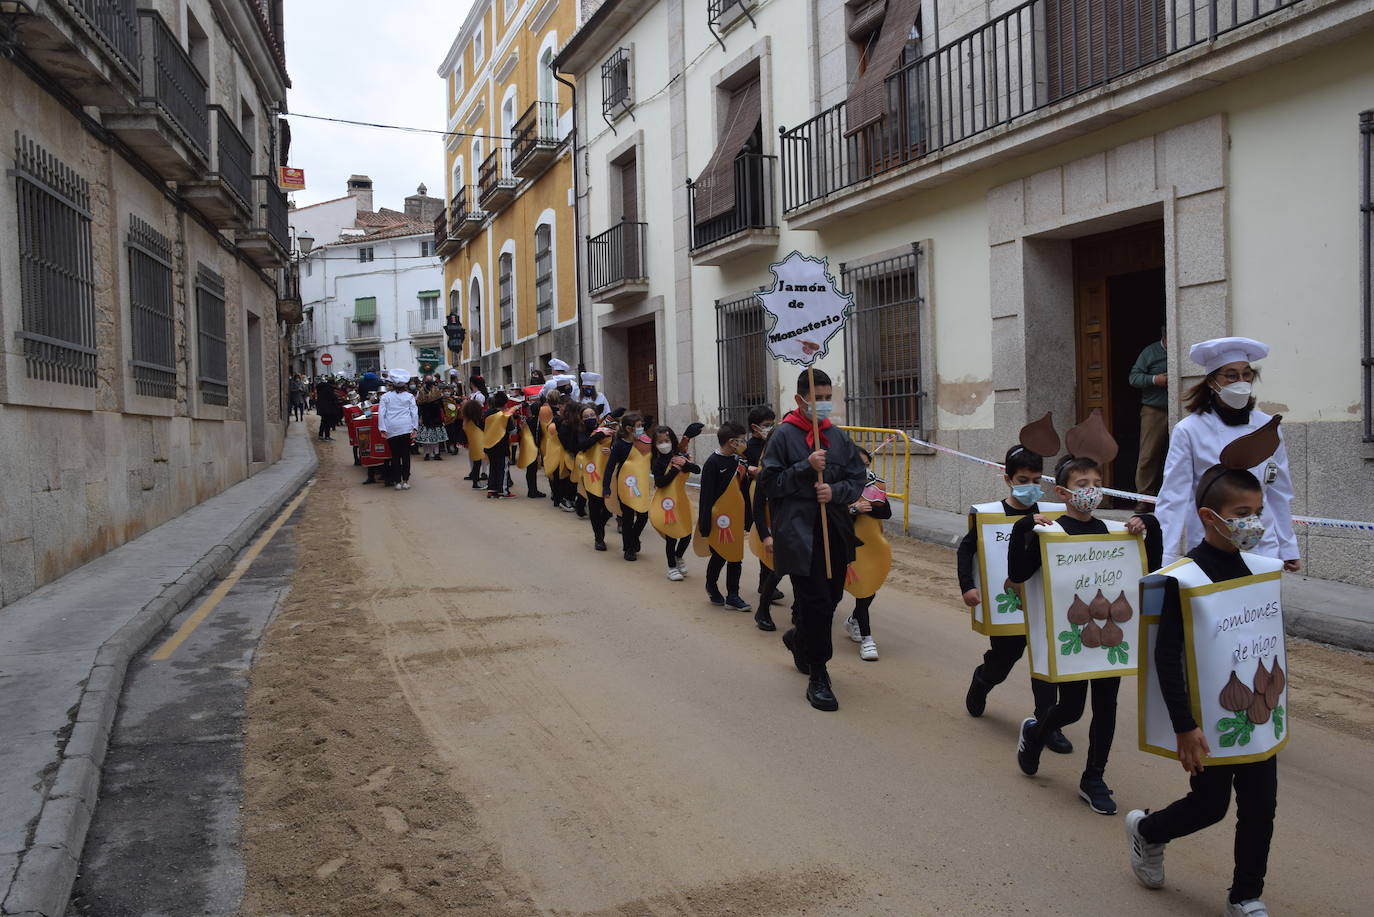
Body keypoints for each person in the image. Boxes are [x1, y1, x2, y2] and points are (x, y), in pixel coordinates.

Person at [1126, 423, 1285, 917]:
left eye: (1258, 513)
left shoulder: (1260, 570)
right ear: (1209, 517)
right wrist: (1185, 727)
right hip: (1206, 718)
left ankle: (1246, 895)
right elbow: (1165, 656)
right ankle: (1147, 832)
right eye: (1242, 515)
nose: (1252, 524)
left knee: (1260, 807)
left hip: (1256, 715)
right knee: (1210, 806)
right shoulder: (1184, 579)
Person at [1011, 452, 1161, 813]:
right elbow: (1018, 572)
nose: (1091, 491)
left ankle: (1094, 777)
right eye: (1082, 485)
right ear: (1063, 492)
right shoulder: (1051, 531)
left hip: (1110, 635)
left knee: (1106, 706)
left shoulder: (1114, 533)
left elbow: (1149, 568)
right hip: (1075, 637)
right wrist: (1024, 528)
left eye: (1096, 484)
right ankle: (1035, 732)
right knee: (1072, 709)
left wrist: (1149, 526)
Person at [759, 369, 867, 713]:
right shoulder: (783, 436)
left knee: (832, 596)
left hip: (833, 528)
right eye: (815, 399)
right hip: (799, 534)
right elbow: (769, 485)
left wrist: (834, 491)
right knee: (817, 601)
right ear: (799, 400)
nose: (822, 405)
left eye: (826, 398)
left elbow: (856, 477)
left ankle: (799, 637)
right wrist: (805, 467)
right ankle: (819, 674)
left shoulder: (838, 437)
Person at [1153, 337, 1299, 574]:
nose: (1241, 382)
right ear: (1212, 382)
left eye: (1246, 374)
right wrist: (1167, 558)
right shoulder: (1189, 430)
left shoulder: (1268, 427)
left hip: (1262, 547)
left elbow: (1278, 490)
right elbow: (1174, 496)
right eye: (1231, 375)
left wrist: (1288, 547)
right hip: (1210, 546)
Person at [959, 444, 1070, 753]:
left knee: (1046, 663)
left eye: (1036, 480)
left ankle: (1048, 724)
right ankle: (982, 680)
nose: (1030, 487)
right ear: (1007, 479)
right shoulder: (989, 515)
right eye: (1023, 480)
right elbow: (967, 549)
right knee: (1004, 660)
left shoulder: (1052, 515)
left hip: (1043, 604)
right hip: (1005, 606)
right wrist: (967, 586)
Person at [842, 447, 893, 661]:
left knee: (870, 588)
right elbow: (836, 516)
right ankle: (867, 638)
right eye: (857, 463)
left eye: (865, 463)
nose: (862, 467)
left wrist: (869, 506)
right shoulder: (840, 485)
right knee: (860, 591)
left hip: (874, 544)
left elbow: (886, 512)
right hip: (851, 544)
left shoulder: (875, 484)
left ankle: (854, 620)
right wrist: (854, 509)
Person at [697, 423, 753, 610]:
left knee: (736, 556)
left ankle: (733, 595)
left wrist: (748, 517)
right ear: (731, 442)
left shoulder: (740, 462)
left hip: (735, 517)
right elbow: (706, 495)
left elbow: (743, 491)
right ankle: (711, 585)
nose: (744, 443)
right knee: (720, 555)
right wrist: (704, 522)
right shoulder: (713, 463)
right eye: (742, 439)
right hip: (718, 519)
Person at [743, 406, 784, 608]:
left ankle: (766, 582)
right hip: (758, 494)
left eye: (772, 424)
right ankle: (766, 583)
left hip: (773, 493)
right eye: (767, 425)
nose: (771, 428)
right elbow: (740, 466)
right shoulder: (749, 447)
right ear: (755, 428)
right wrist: (749, 470)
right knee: (764, 535)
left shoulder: (775, 443)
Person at [1128, 327, 1170, 513]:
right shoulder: (1150, 352)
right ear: (1164, 336)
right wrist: (1155, 380)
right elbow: (1134, 377)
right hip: (1154, 410)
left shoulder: (1186, 349)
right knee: (1149, 454)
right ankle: (1144, 497)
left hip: (1181, 406)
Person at [651, 425, 699, 581]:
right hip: (666, 502)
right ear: (655, 445)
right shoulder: (657, 462)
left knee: (686, 534)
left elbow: (696, 470)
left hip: (681, 501)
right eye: (660, 442)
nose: (664, 444)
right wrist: (674, 469)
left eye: (667, 440)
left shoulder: (679, 455)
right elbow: (660, 482)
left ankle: (679, 557)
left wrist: (684, 464)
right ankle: (671, 567)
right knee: (671, 536)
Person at [605, 412, 648, 560]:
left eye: (641, 425)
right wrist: (606, 487)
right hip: (625, 486)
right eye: (639, 426)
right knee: (628, 518)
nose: (641, 428)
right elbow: (610, 467)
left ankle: (633, 538)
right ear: (629, 429)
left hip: (640, 485)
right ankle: (628, 549)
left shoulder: (643, 443)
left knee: (643, 515)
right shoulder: (619, 445)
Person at [574, 404, 614, 550]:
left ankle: (599, 526)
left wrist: (611, 451)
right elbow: (583, 445)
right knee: (595, 506)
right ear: (581, 420)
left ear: (597, 417)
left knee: (609, 509)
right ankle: (599, 538)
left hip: (607, 474)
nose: (590, 418)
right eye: (586, 417)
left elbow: (618, 447)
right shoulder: (582, 432)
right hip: (591, 475)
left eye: (592, 415)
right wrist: (599, 435)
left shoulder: (608, 430)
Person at [377, 369, 418, 491]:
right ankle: (405, 481)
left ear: (392, 384)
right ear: (405, 384)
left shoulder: (385, 397)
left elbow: (381, 414)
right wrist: (414, 428)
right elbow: (414, 413)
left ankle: (397, 482)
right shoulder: (410, 396)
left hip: (392, 429)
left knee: (395, 456)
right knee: (406, 455)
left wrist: (382, 429)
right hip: (406, 428)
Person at [483, 393, 514, 498]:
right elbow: (513, 431)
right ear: (505, 403)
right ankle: (503, 491)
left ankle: (492, 489)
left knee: (493, 467)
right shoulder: (505, 415)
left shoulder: (487, 413)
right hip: (502, 446)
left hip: (489, 445)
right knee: (503, 469)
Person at [415, 376, 448, 461]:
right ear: (425, 381)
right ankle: (426, 454)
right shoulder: (421, 391)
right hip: (425, 416)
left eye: (430, 380)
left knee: (436, 437)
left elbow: (441, 404)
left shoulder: (437, 390)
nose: (429, 381)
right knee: (426, 438)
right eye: (428, 380)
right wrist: (420, 416)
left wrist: (443, 414)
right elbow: (419, 406)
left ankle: (436, 454)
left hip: (436, 416)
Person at [461, 398, 486, 488]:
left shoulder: (467, 421)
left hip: (472, 444)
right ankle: (476, 482)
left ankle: (475, 480)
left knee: (476, 463)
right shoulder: (477, 421)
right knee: (478, 463)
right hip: (478, 444)